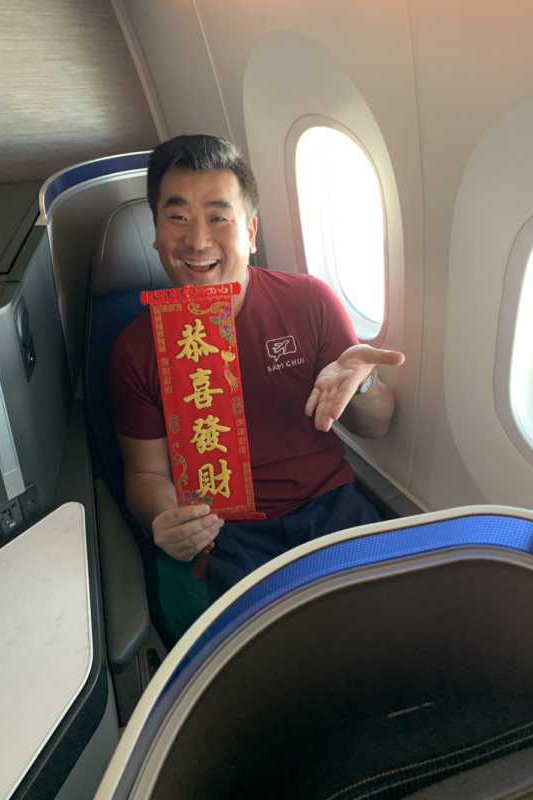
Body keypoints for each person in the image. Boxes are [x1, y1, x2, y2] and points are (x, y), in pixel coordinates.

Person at [110, 134, 405, 641]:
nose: (198, 241)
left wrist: (363, 382)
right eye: (177, 217)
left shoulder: (309, 301)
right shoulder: (136, 349)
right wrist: (166, 517)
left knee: (392, 629)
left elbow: (376, 425)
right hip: (223, 531)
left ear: (249, 231)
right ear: (156, 233)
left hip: (329, 506)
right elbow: (144, 474)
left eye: (219, 217)